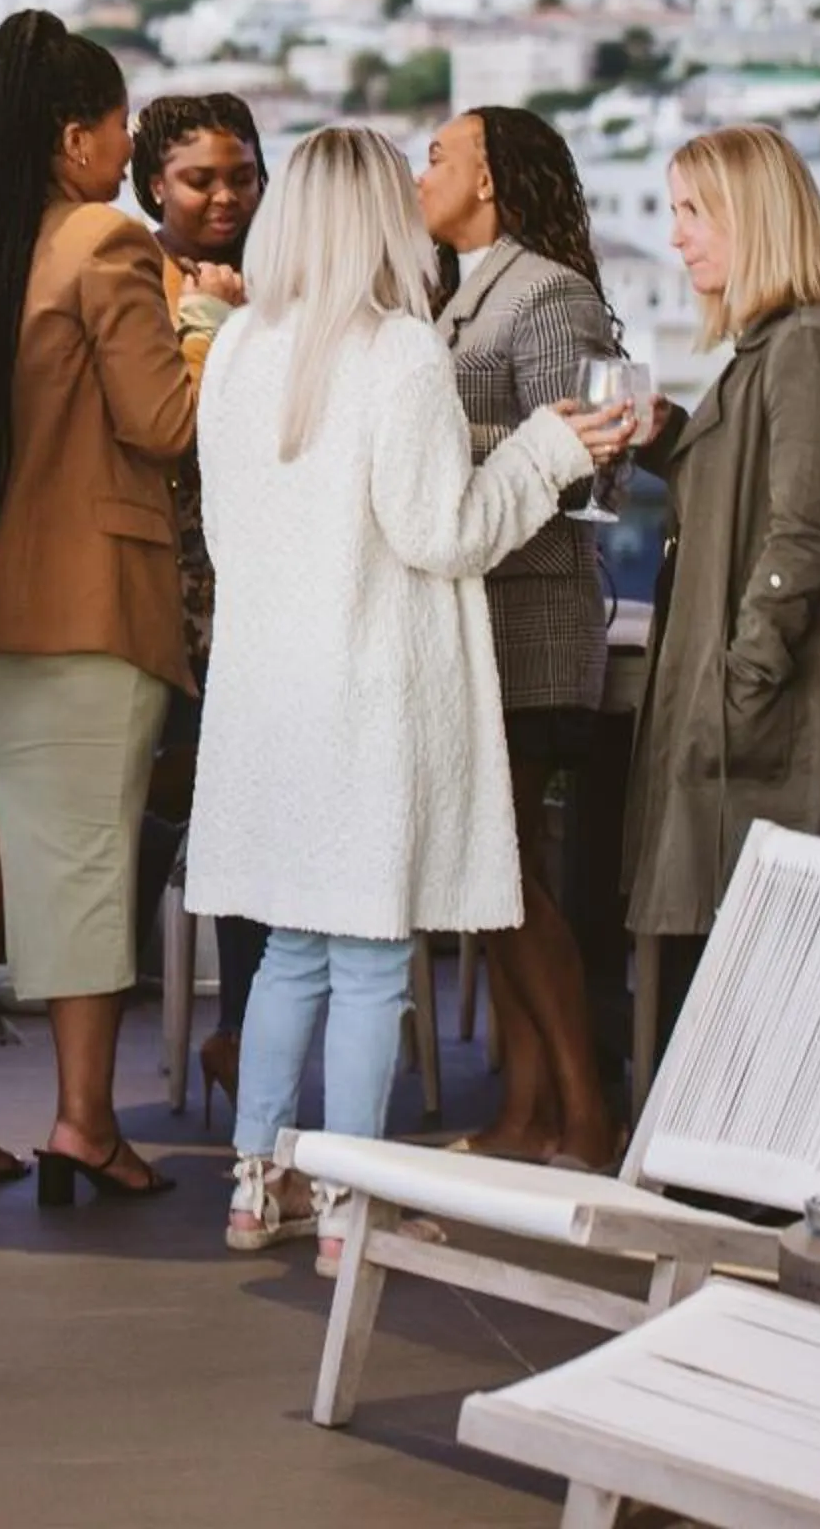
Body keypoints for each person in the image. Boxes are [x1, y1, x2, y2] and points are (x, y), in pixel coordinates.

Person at [187, 127, 625, 1261]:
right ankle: (352, 1203)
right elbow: (446, 532)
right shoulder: (400, 353)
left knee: (291, 949)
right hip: (370, 695)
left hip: (269, 694)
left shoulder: (239, 348)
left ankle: (257, 1186)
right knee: (376, 959)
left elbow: (227, 534)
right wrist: (544, 453)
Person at [0, 10, 194, 1206]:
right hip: (86, 607)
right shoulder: (105, 241)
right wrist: (214, 334)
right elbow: (163, 421)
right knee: (85, 864)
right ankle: (84, 1122)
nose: (128, 152)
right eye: (121, 128)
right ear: (76, 135)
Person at [622, 125, 820, 1054]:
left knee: (741, 975)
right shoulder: (780, 346)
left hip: (755, 711)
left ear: (754, 215)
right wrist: (668, 439)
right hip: (740, 702)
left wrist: (742, 680)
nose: (678, 236)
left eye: (695, 211)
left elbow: (804, 533)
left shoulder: (807, 345)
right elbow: (758, 500)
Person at [417, 107, 623, 1170]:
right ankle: (530, 1110)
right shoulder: (462, 294)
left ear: (489, 179)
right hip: (476, 622)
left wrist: (433, 448)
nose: (421, 175)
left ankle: (582, 1112)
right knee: (495, 877)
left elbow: (585, 461)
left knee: (503, 875)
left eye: (438, 157)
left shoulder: (546, 293)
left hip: (528, 620)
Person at [128, 93, 266, 1117]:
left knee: (251, 822)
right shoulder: (132, 281)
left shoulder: (289, 281)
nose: (224, 197)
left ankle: (244, 1032)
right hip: (155, 589)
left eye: (242, 176)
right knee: (143, 817)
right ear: (153, 186)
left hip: (257, 591)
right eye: (199, 179)